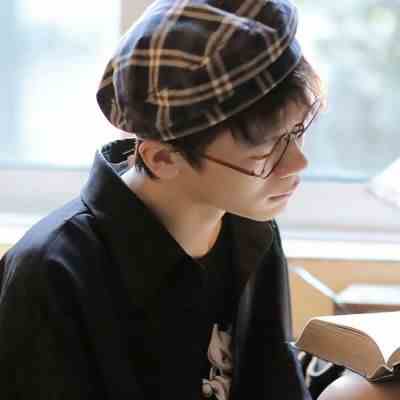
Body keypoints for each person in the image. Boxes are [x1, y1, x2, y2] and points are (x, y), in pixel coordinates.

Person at [0, 0, 324, 399]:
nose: (299, 162)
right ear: (163, 158)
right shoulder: (51, 272)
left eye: (297, 131)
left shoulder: (251, 231)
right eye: (266, 149)